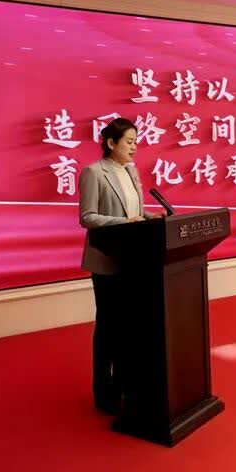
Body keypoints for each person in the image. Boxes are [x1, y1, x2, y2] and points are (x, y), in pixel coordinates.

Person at [78, 117, 161, 414]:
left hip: (132, 261)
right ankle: (104, 393)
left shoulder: (130, 170)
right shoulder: (94, 172)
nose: (134, 147)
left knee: (127, 327)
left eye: (136, 142)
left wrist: (149, 217)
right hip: (106, 261)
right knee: (108, 328)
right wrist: (125, 222)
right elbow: (87, 217)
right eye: (129, 142)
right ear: (111, 143)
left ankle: (124, 385)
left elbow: (133, 209)